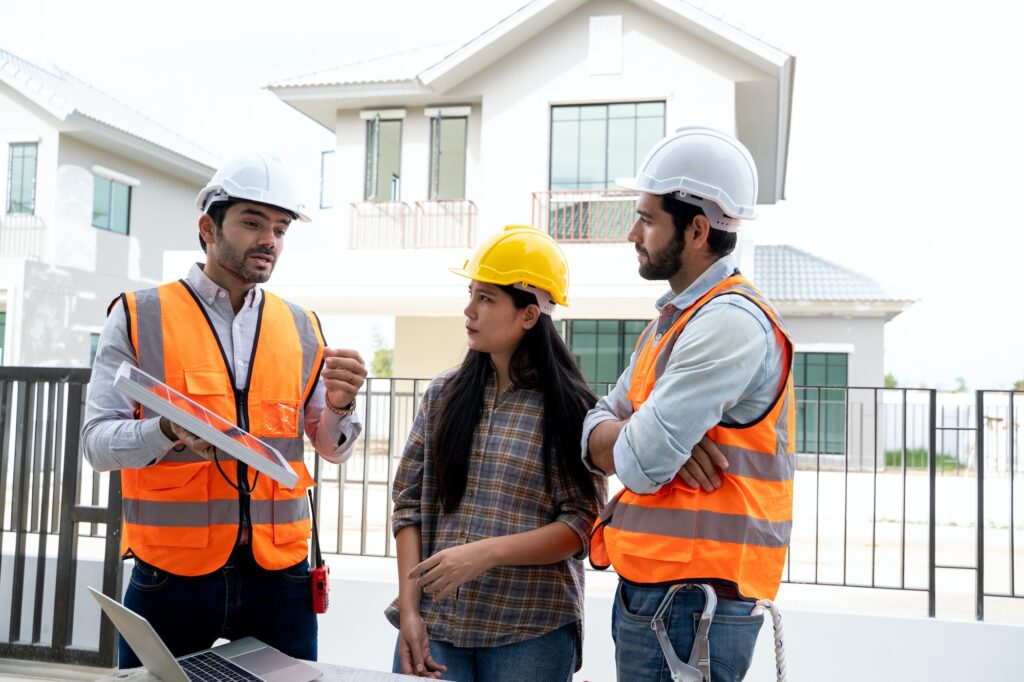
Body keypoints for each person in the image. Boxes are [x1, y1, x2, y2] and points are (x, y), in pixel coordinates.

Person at [82, 153, 367, 669]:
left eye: (280, 229)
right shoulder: (138, 315)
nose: (269, 240)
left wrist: (342, 408)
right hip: (171, 575)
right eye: (253, 223)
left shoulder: (302, 326)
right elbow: (97, 444)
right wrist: (165, 429)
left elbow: (329, 445)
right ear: (208, 228)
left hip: (281, 576)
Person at [583, 127, 796, 681]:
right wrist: (635, 434)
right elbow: (595, 429)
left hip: (694, 605)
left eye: (648, 219)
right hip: (663, 594)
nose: (633, 233)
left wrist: (642, 438)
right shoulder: (672, 323)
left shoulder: (728, 322)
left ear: (698, 229)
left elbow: (638, 462)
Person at [387, 225, 607, 681]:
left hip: (531, 631)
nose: (469, 310)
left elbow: (581, 525)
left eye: (486, 298)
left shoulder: (572, 408)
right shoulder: (443, 394)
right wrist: (410, 613)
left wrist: (485, 553)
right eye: (471, 294)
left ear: (528, 315)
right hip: (437, 625)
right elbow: (407, 506)